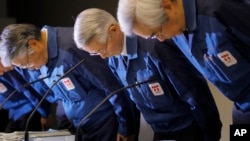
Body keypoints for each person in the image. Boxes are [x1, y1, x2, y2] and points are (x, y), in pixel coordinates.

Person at [73, 8, 222, 141]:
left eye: (102, 49)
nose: (103, 57)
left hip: (188, 130)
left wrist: (210, 134)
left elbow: (193, 92)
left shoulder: (155, 47)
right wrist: (126, 129)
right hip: (160, 131)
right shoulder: (115, 61)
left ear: (113, 30)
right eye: (96, 54)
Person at [116, 0, 250, 124]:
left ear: (167, 6)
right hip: (241, 105)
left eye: (158, 32)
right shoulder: (178, 31)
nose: (161, 39)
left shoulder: (217, 9)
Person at [0, 23, 139, 141]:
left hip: (104, 123)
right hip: (81, 126)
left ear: (34, 43)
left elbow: (113, 87)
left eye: (27, 64)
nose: (30, 69)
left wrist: (125, 127)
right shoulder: (43, 56)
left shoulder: (72, 48)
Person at [0, 60, 51, 132]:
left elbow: (29, 93)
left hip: (29, 110)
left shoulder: (10, 73)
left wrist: (44, 115)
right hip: (14, 113)